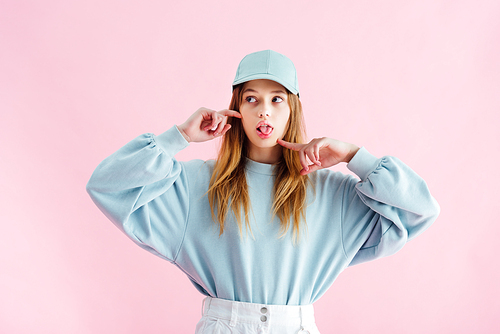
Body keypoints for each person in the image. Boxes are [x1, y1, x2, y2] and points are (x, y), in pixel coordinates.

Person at [86, 49, 440, 334]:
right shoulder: (196, 184)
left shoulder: (332, 193)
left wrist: (353, 156)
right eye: (252, 99)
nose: (264, 112)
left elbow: (420, 209)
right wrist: (177, 136)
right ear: (237, 107)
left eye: (277, 99)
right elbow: (106, 185)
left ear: (292, 108)